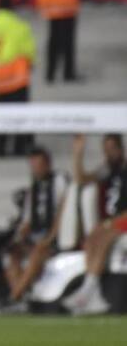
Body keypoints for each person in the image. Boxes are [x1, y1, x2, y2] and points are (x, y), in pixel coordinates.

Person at [0, 147, 70, 311]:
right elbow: (27, 220)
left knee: (38, 251)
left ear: (48, 164)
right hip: (37, 238)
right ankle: (22, 298)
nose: (36, 169)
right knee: (11, 253)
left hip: (56, 238)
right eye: (33, 166)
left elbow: (64, 210)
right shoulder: (34, 187)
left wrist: (51, 236)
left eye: (39, 165)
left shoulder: (60, 180)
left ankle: (14, 297)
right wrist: (19, 237)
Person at [63, 133, 127, 314]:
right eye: (106, 150)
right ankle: (94, 292)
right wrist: (77, 154)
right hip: (114, 220)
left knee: (103, 236)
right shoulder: (108, 169)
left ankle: (88, 291)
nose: (109, 153)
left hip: (124, 219)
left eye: (112, 149)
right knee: (91, 238)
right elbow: (81, 178)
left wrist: (111, 222)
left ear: (121, 149)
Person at [0, 0, 36, 157]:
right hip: (17, 75)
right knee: (20, 111)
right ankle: (20, 146)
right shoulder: (18, 25)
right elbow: (27, 48)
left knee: (0, 112)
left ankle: (0, 147)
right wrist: (30, 62)